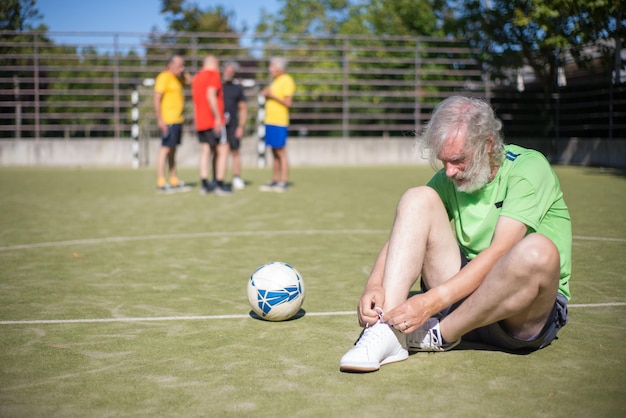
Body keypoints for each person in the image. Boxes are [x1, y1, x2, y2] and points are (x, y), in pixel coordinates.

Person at [339, 96, 571, 373]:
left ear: (487, 145)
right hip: (463, 296)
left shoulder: (528, 169)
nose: (449, 171)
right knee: (417, 198)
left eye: (458, 160)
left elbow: (499, 253)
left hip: (518, 315)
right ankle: (383, 331)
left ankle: (440, 334)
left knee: (538, 251)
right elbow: (408, 228)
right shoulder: (450, 176)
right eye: (443, 161)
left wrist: (430, 301)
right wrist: (374, 283)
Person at [191, 55, 231, 195]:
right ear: (214, 63)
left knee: (205, 151)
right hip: (212, 120)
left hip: (200, 121)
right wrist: (218, 118)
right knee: (223, 149)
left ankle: (205, 185)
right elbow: (211, 95)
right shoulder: (213, 75)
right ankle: (219, 184)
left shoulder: (197, 77)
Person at [153, 54, 192, 193]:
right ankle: (161, 182)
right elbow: (157, 98)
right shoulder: (164, 77)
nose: (181, 69)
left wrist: (183, 70)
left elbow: (190, 81)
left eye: (183, 66)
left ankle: (174, 179)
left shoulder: (177, 78)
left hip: (177, 120)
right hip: (167, 120)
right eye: (179, 66)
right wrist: (160, 119)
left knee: (173, 150)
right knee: (165, 149)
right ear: (170, 65)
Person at [259, 57, 295, 193]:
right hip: (270, 121)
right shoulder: (275, 81)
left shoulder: (287, 80)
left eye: (272, 66)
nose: (270, 69)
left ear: (280, 68)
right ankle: (275, 180)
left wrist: (272, 95)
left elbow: (288, 103)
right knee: (273, 152)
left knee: (281, 152)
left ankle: (284, 181)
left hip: (280, 122)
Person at [222, 61, 248, 191]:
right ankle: (220, 178)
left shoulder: (237, 88)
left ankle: (236, 177)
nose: (228, 73)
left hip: (233, 126)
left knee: (235, 151)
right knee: (221, 152)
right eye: (227, 70)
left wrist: (241, 126)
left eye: (231, 71)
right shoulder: (217, 86)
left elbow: (243, 108)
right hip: (219, 125)